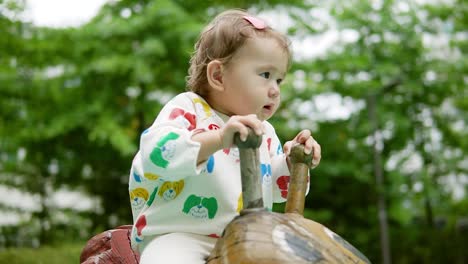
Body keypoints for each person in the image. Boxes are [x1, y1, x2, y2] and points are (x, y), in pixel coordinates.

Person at [128, 9, 321, 263]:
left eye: (279, 80)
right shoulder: (188, 109)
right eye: (265, 75)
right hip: (181, 236)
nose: (275, 90)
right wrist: (219, 139)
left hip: (247, 239)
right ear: (218, 76)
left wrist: (293, 163)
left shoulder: (266, 131)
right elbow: (156, 156)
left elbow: (276, 190)